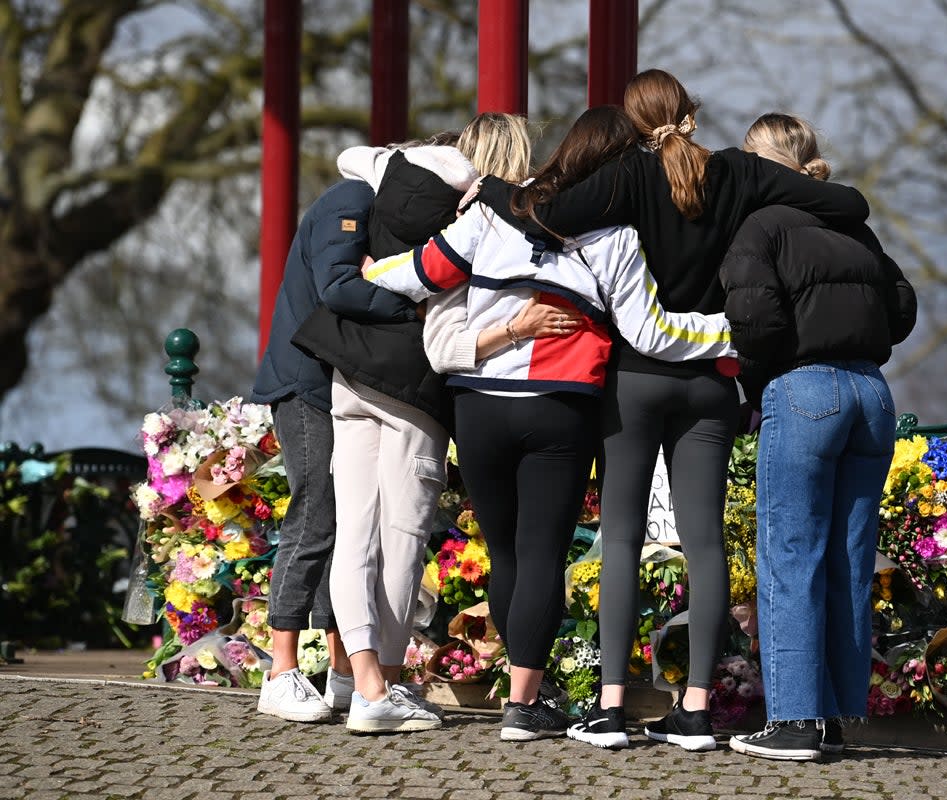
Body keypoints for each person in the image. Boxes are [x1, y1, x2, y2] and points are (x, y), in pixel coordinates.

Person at [475, 69, 871, 752]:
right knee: (706, 544)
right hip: (712, 383)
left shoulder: (627, 176)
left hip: (637, 379)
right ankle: (694, 713)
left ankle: (612, 708)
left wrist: (485, 187)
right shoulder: (742, 173)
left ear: (633, 125)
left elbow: (537, 212)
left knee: (623, 539)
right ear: (694, 113)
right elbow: (851, 203)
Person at [363, 105, 737, 742]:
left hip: (477, 403)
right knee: (541, 554)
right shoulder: (615, 235)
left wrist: (365, 271)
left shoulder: (491, 213)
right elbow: (646, 331)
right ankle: (523, 702)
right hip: (559, 405)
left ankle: (520, 692)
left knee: (506, 552)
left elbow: (419, 274)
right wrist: (730, 334)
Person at [291, 115, 564, 733]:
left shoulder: (392, 178)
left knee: (354, 533)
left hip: (350, 375)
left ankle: (358, 674)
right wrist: (515, 329)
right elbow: (449, 338)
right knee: (403, 540)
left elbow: (351, 157)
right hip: (413, 389)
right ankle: (377, 686)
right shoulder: (477, 220)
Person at [719, 113, 917, 760]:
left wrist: (757, 380)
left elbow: (752, 319)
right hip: (872, 394)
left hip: (803, 390)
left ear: (759, 165)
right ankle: (834, 716)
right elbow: (903, 306)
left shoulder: (760, 226)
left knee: (790, 555)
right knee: (849, 562)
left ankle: (794, 722)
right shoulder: (855, 226)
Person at [249, 177, 403, 723]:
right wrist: (415, 305)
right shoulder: (352, 200)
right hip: (306, 384)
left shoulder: (359, 205)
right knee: (314, 518)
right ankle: (280, 671)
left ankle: (341, 673)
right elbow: (339, 286)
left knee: (343, 526)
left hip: (326, 382)